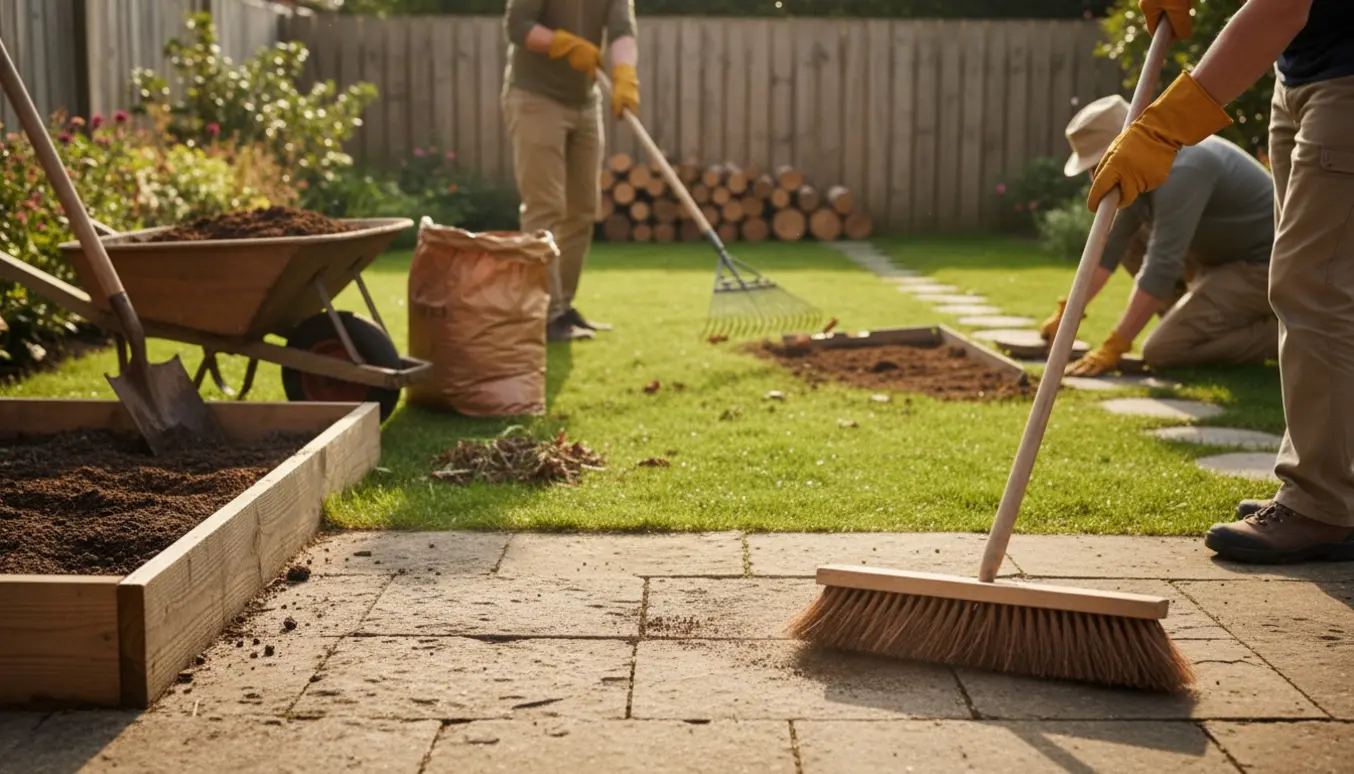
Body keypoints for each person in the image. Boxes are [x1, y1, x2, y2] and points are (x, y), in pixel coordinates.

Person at [1090, 0, 1354, 563]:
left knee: (1313, 292)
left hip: (1343, 79)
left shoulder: (1189, 172)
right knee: (1309, 294)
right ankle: (1322, 484)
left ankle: (1321, 503)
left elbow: (1281, 6)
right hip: (1301, 73)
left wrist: (1164, 128)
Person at [1041, 94, 1278, 377]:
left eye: (1096, 164)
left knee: (1163, 350)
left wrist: (1116, 344)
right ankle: (1187, 319)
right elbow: (1109, 248)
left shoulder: (1184, 168)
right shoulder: (1138, 169)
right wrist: (1069, 312)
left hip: (1264, 268)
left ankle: (1285, 332)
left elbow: (1162, 265)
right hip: (1218, 262)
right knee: (1131, 240)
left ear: (1123, 146)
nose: (1094, 176)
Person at [502, 0, 639, 342]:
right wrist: (563, 43)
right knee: (544, 207)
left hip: (585, 100)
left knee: (582, 209)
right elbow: (517, 25)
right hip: (535, 97)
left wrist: (625, 73)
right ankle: (544, 314)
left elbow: (622, 30)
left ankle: (562, 306)